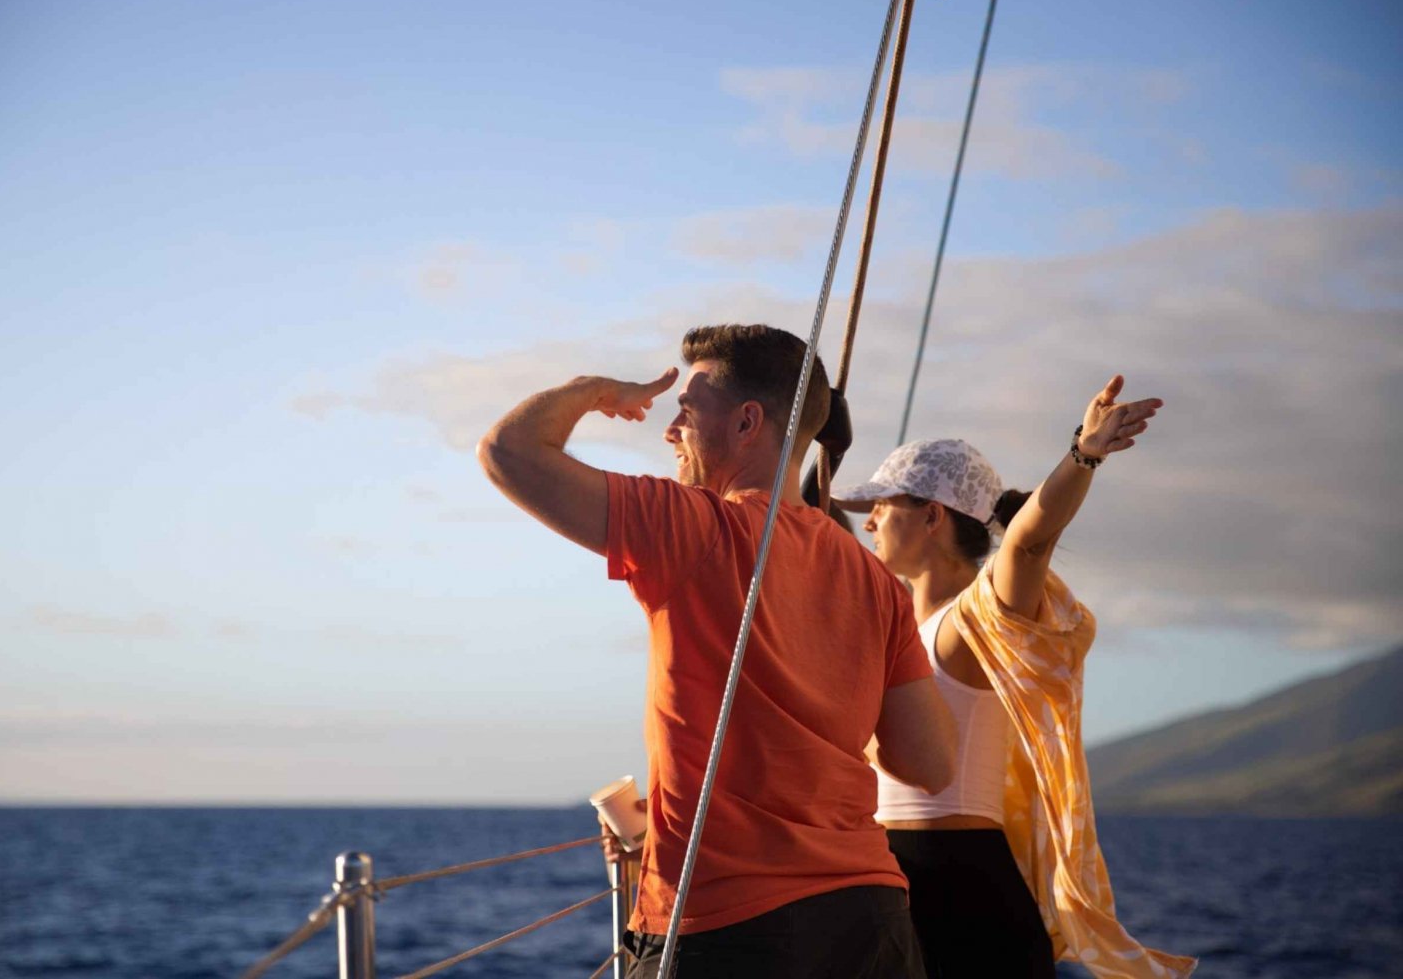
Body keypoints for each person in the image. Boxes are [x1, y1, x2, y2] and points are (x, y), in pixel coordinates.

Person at [478, 324, 958, 979]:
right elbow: (929, 761)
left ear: (746, 423)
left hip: (728, 925)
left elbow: (509, 451)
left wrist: (589, 390)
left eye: (686, 409)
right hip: (868, 921)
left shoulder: (692, 526)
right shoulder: (876, 579)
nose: (669, 428)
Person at [832, 375, 1198, 979]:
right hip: (889, 879)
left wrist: (1083, 453)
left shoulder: (971, 621)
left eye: (882, 505)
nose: (869, 522)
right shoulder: (895, 627)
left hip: (957, 884)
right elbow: (822, 541)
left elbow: (1027, 546)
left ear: (930, 518)